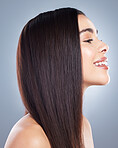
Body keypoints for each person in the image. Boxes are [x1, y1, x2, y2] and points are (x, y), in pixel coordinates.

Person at [4, 7, 109, 148]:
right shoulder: (30, 137)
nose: (105, 46)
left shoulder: (82, 126)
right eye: (88, 40)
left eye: (97, 37)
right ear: (55, 56)